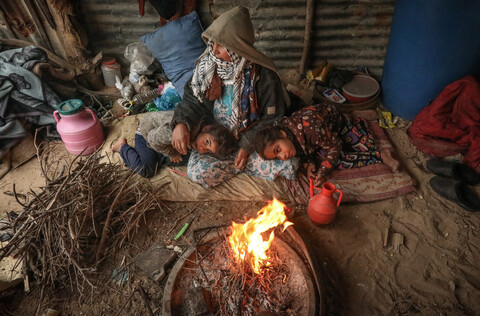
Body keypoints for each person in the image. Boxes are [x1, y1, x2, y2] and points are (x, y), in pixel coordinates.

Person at [171, 6, 298, 187]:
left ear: (237, 47)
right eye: (213, 43)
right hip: (214, 142)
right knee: (198, 173)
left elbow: (273, 117)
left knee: (290, 164)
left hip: (252, 142)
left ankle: (240, 162)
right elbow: (192, 100)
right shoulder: (207, 68)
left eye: (221, 45)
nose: (214, 50)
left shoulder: (263, 77)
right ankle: (243, 166)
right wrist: (181, 123)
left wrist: (247, 146)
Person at [254, 103, 383, 185]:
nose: (283, 157)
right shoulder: (289, 139)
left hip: (337, 125)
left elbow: (336, 145)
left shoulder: (312, 131)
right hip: (323, 137)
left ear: (282, 134)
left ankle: (357, 119)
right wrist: (309, 164)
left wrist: (323, 171)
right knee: (325, 157)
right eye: (277, 157)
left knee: (363, 149)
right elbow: (305, 149)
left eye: (278, 150)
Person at [112, 111, 237, 178]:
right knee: (147, 170)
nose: (202, 148)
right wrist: (171, 153)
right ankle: (122, 147)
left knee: (182, 157)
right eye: (207, 142)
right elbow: (152, 139)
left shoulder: (198, 134)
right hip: (147, 136)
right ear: (205, 128)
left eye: (208, 150)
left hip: (163, 142)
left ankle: (136, 157)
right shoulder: (177, 132)